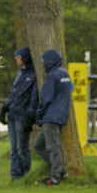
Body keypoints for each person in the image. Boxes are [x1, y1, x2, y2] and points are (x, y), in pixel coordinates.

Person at [33, 49, 73, 185]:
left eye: (44, 62)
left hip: (51, 117)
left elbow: (46, 98)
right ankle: (60, 169)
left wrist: (38, 114)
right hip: (61, 115)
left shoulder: (52, 75)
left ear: (49, 61)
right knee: (38, 145)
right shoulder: (64, 73)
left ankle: (55, 177)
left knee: (52, 147)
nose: (43, 64)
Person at [0, 47, 38, 180]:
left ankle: (25, 175)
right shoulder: (20, 73)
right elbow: (14, 93)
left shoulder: (34, 74)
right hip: (13, 115)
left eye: (18, 56)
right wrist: (5, 108)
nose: (16, 59)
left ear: (25, 58)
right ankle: (15, 175)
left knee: (22, 149)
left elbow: (34, 97)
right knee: (13, 149)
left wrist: (30, 115)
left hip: (23, 116)